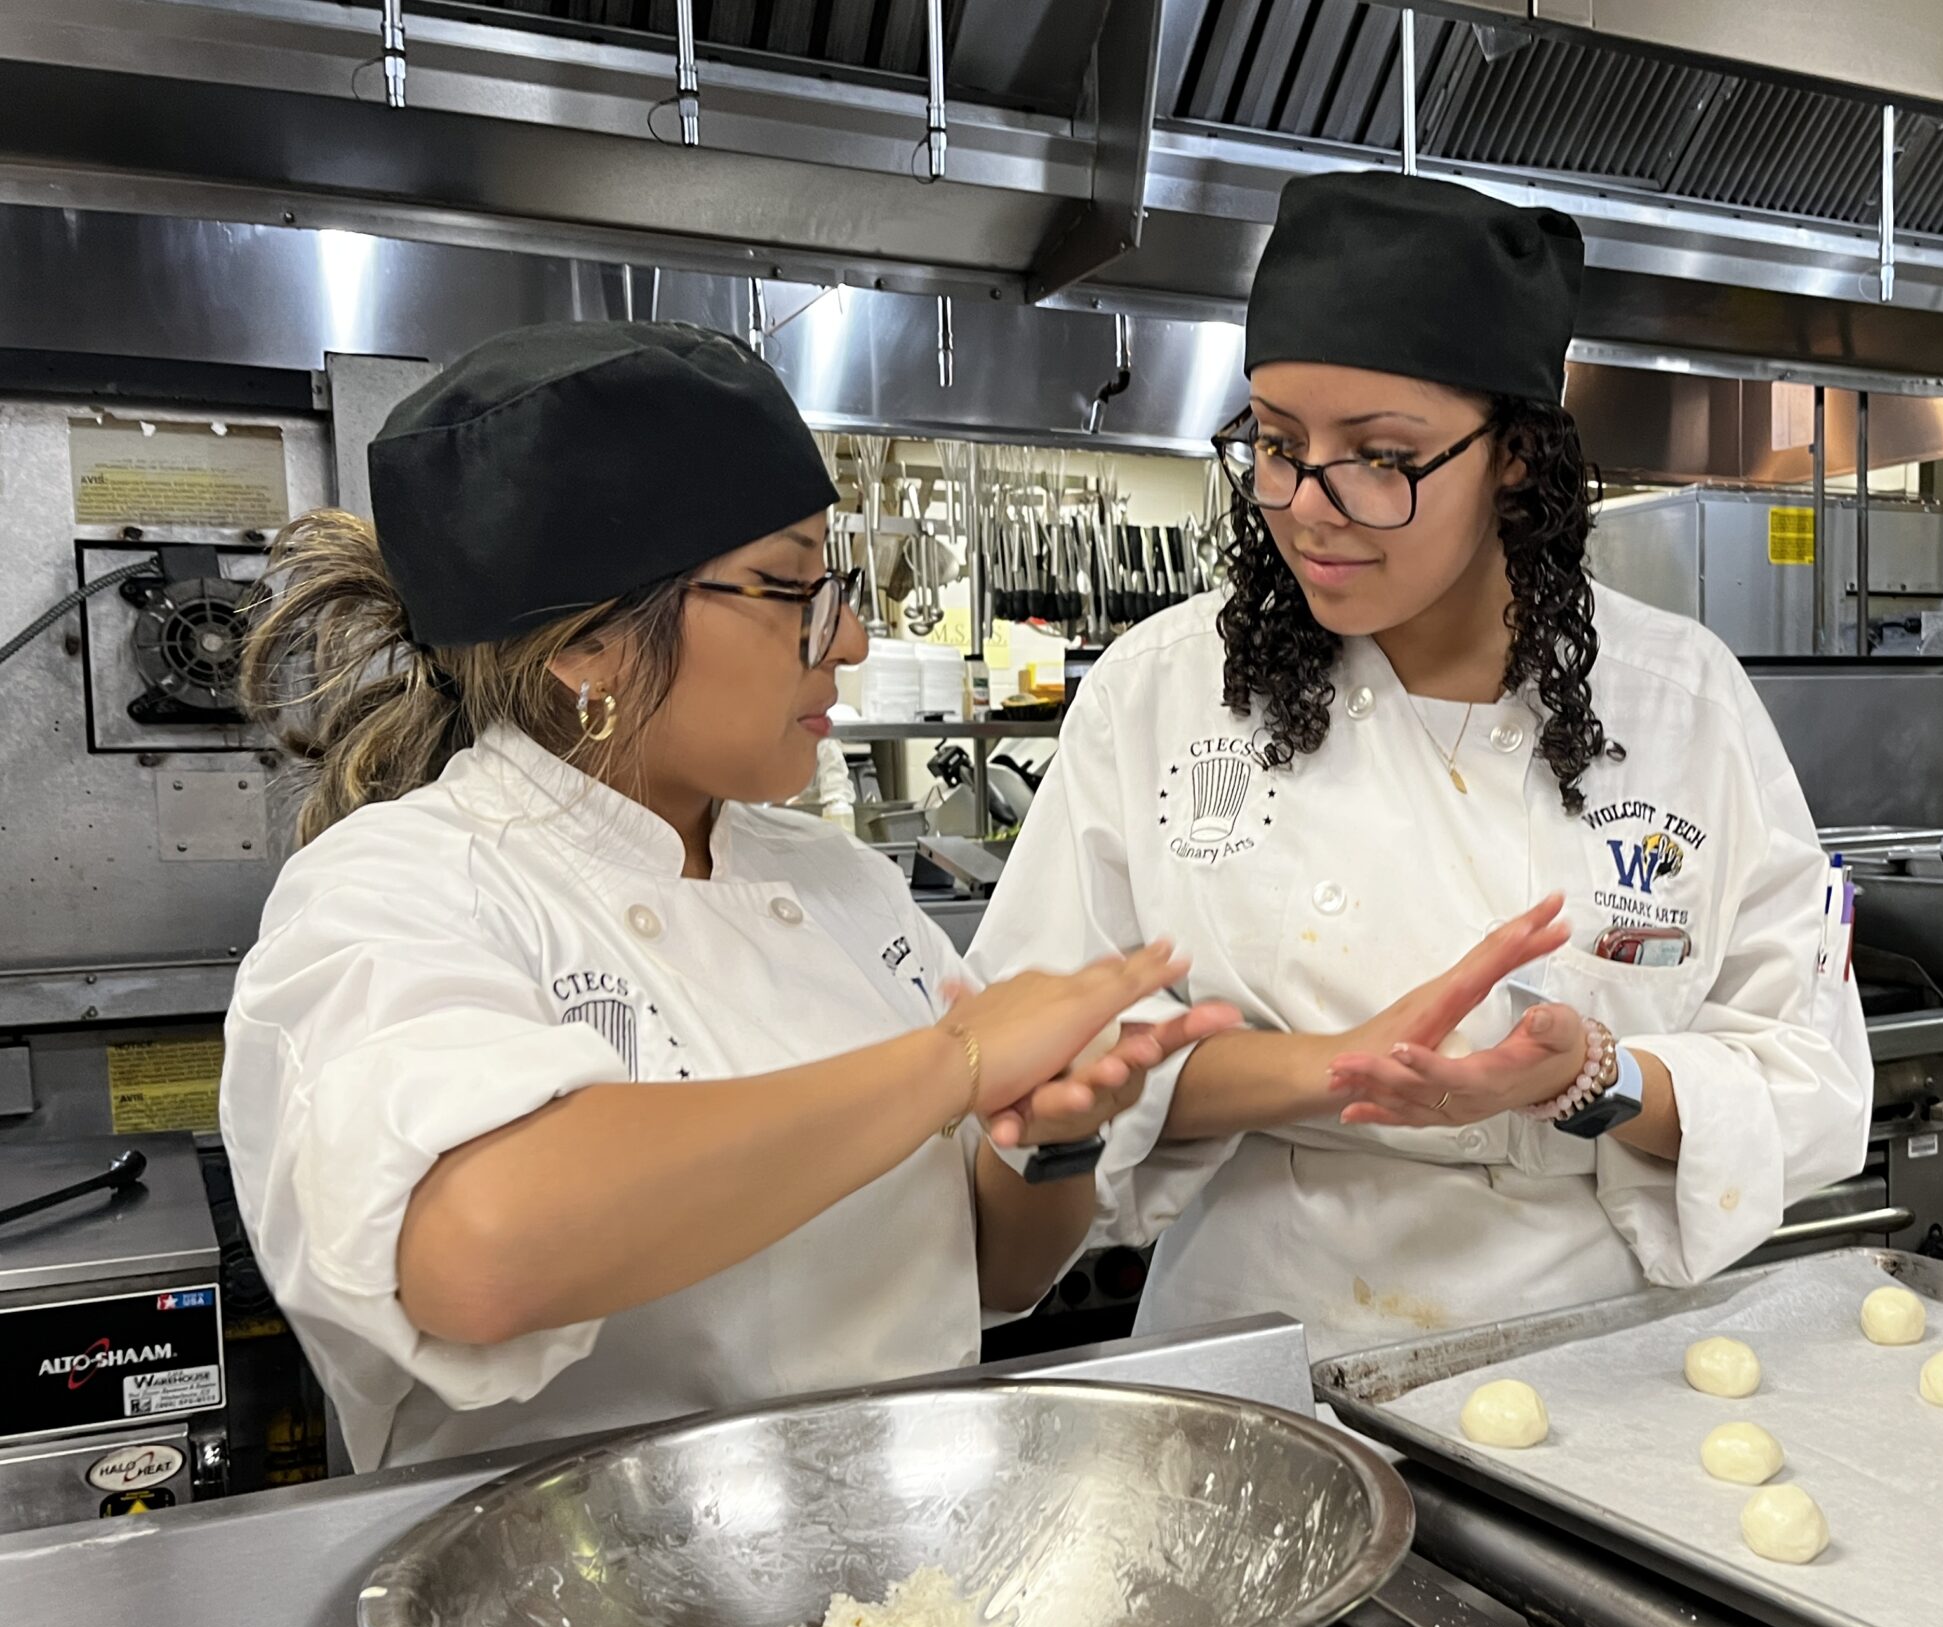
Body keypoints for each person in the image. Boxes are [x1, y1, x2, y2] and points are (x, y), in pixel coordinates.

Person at [219, 321, 1233, 1469]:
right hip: (578, 1606)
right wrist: (949, 1064)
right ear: (590, 643)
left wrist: (1051, 1139)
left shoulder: (841, 887)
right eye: (793, 588)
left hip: (909, 1575)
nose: (848, 637)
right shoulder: (401, 886)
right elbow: (480, 1251)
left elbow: (996, 1274)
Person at [969, 171, 1872, 1357]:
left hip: (1591, 1355)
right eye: (1278, 445)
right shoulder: (1165, 694)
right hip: (1266, 1341)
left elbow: (1811, 1074)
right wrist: (1324, 1070)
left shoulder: (1679, 698)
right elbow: (1036, 1068)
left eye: (1380, 456)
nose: (1306, 507)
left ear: (1512, 454)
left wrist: (1588, 1076)